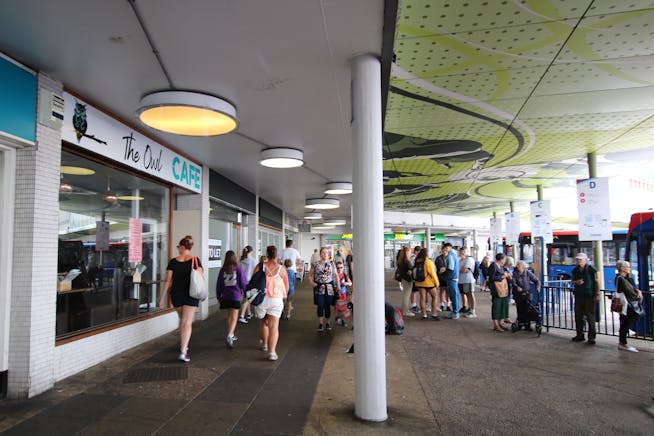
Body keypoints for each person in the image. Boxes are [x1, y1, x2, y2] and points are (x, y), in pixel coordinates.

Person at [158, 235, 201, 362]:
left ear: (182, 247)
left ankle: (184, 345)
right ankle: (183, 351)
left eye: (178, 247)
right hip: (191, 294)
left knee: (183, 320)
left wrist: (162, 298)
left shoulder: (173, 262)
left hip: (176, 294)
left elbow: (167, 281)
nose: (178, 249)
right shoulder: (195, 260)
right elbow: (200, 278)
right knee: (187, 322)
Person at [252, 246, 288, 361]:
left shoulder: (259, 266)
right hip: (276, 299)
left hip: (261, 299)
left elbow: (253, 282)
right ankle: (272, 352)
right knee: (274, 327)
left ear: (267, 254)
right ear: (276, 255)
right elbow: (286, 286)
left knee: (263, 323)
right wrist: (284, 298)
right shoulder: (281, 269)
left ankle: (264, 345)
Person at [216, 250, 247, 348]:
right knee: (234, 317)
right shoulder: (238, 269)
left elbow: (219, 284)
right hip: (235, 296)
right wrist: (245, 292)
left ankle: (231, 333)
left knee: (229, 316)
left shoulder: (223, 270)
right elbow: (243, 282)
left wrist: (219, 296)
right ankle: (229, 335)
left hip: (225, 296)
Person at [570, 252, 600, 345]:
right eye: (577, 259)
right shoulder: (575, 270)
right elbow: (572, 280)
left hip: (589, 296)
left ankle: (591, 337)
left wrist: (597, 294)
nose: (579, 261)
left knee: (590, 316)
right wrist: (576, 282)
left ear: (585, 260)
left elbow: (597, 281)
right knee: (578, 316)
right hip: (579, 295)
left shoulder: (591, 269)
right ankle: (580, 335)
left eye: (580, 259)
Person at [614, 260, 643, 352]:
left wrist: (637, 290)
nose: (629, 268)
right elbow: (630, 291)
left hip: (625, 304)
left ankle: (623, 342)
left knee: (624, 322)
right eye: (627, 267)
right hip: (626, 304)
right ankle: (623, 343)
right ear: (622, 268)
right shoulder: (621, 279)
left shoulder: (625, 278)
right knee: (625, 323)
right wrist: (638, 294)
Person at [308, 247, 339, 332]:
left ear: (328, 254)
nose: (325, 254)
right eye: (323, 253)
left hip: (329, 287)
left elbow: (336, 275)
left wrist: (338, 286)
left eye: (326, 253)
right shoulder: (315, 264)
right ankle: (321, 323)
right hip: (319, 287)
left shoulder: (332, 264)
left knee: (328, 305)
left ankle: (328, 322)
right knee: (320, 305)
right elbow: (310, 275)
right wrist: (312, 283)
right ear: (320, 254)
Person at [413, 248, 440, 320]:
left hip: (419, 283)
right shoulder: (428, 261)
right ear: (427, 253)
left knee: (422, 298)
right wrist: (437, 283)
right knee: (434, 297)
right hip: (429, 283)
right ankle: (434, 314)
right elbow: (432, 274)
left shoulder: (417, 261)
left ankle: (424, 315)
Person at [512, 260, 540, 330]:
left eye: (519, 265)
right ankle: (520, 324)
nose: (518, 267)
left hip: (527, 294)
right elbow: (513, 282)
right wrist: (517, 287)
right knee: (519, 309)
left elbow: (537, 280)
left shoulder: (528, 273)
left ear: (523, 267)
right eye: (517, 265)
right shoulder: (515, 273)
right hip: (518, 295)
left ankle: (527, 325)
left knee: (527, 309)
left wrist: (538, 287)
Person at [489, 253, 512, 332]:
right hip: (496, 289)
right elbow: (492, 278)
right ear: (501, 259)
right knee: (496, 306)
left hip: (502, 289)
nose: (505, 261)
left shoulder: (501, 266)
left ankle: (500, 323)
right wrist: (502, 276)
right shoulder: (493, 266)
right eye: (504, 259)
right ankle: (496, 324)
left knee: (502, 305)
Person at [280, 239, 302, 319]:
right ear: (292, 244)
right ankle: (288, 312)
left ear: (286, 244)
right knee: (291, 285)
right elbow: (299, 261)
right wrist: (296, 264)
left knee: (283, 297)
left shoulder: (282, 251)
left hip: (283, 270)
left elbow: (279, 260)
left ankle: (282, 311)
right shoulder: (295, 251)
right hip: (293, 270)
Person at [238, 246, 256, 324]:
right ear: (251, 251)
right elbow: (255, 271)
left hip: (242, 281)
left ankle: (249, 313)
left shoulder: (241, 260)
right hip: (249, 281)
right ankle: (242, 316)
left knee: (246, 296)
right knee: (247, 298)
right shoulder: (253, 260)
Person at [443, 243, 460, 319]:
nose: (445, 250)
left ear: (448, 248)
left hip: (451, 278)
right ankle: (456, 311)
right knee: (456, 296)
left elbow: (450, 268)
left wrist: (443, 273)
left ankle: (455, 312)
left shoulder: (450, 255)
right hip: (454, 278)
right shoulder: (455, 255)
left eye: (445, 248)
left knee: (453, 296)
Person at [396, 246, 414, 317]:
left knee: (405, 295)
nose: (410, 253)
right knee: (406, 295)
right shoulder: (407, 261)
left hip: (404, 279)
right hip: (408, 280)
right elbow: (410, 270)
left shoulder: (400, 261)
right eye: (409, 252)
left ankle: (405, 310)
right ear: (407, 252)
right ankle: (406, 311)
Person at [458, 247, 477, 318]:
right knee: (466, 295)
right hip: (462, 280)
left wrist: (459, 270)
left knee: (470, 295)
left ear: (467, 252)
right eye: (461, 252)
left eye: (464, 252)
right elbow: (460, 269)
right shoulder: (460, 260)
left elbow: (465, 270)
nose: (462, 253)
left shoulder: (469, 259)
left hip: (468, 280)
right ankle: (469, 309)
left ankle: (473, 311)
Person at [334, 261, 352, 326]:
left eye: (341, 267)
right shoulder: (334, 276)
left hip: (343, 294)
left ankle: (343, 320)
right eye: (338, 268)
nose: (340, 269)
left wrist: (346, 283)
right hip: (336, 294)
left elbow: (350, 283)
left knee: (344, 308)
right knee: (338, 308)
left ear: (343, 268)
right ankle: (338, 317)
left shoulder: (344, 275)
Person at [435, 247, 451, 312]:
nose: (444, 252)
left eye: (445, 251)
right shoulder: (438, 258)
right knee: (442, 290)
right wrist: (438, 272)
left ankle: (448, 305)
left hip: (448, 277)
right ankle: (442, 304)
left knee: (448, 291)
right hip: (440, 277)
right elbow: (435, 267)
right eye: (443, 251)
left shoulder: (450, 258)